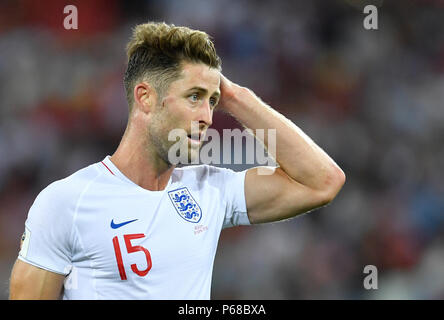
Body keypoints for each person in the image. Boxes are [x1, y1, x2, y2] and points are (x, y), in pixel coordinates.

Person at [9, 22, 345, 300]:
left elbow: (322, 183)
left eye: (213, 101)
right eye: (194, 97)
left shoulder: (211, 188)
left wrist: (237, 97)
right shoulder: (67, 202)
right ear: (145, 98)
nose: (208, 117)